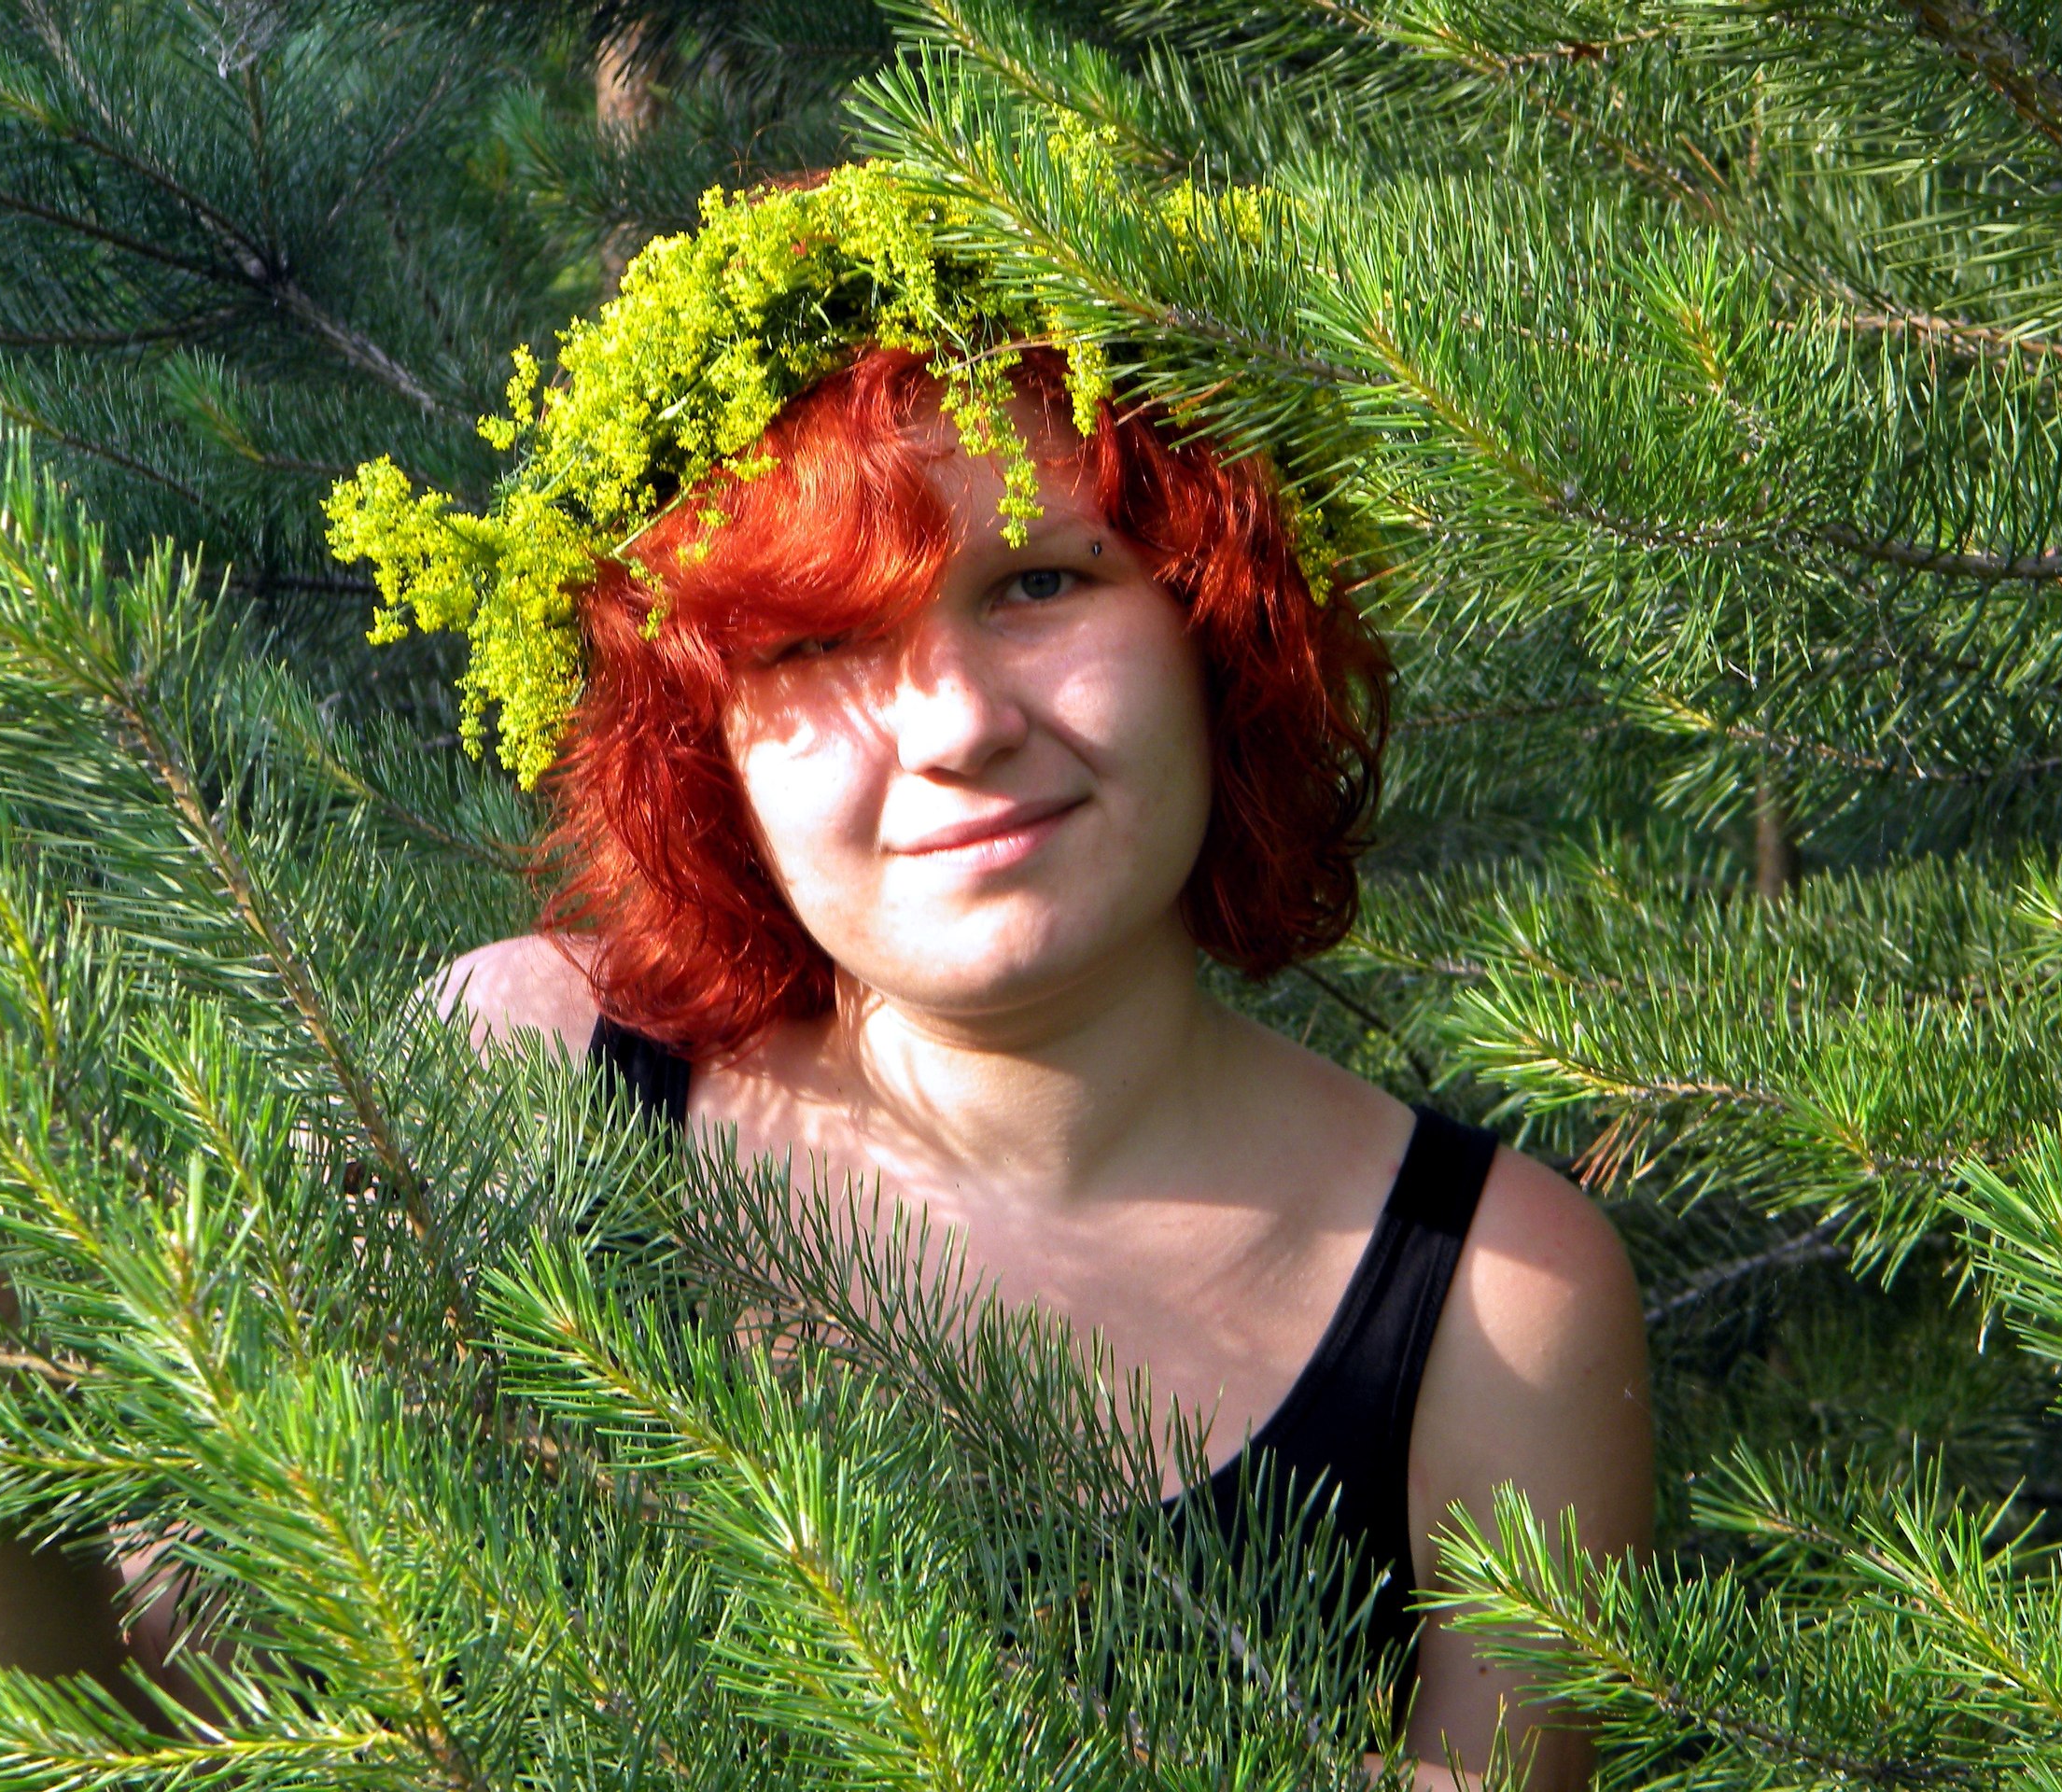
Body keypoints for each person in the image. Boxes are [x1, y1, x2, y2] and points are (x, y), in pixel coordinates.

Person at [439, 329, 1654, 1787]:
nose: (958, 724)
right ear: (702, 740)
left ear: (1220, 620)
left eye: (1036, 584)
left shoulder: (1498, 1299)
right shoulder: (518, 1080)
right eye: (816, 638)